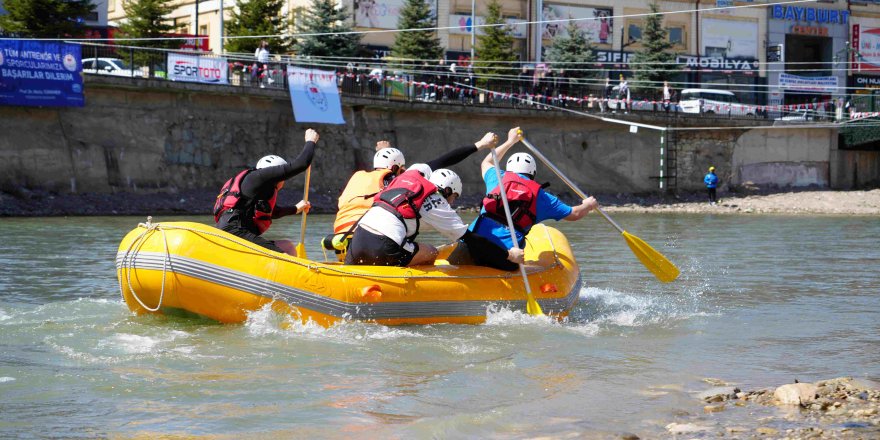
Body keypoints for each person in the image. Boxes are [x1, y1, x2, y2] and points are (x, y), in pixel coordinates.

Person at [345, 133, 525, 267]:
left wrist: (480, 144)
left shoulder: (409, 174)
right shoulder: (436, 203)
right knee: (431, 252)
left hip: (357, 240)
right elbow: (472, 240)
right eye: (453, 198)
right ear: (447, 191)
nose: (452, 204)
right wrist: (508, 255)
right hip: (384, 246)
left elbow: (444, 160)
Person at [452, 128, 599, 271]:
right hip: (505, 257)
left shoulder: (497, 176)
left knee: (455, 261)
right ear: (533, 173)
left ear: (509, 168)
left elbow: (487, 162)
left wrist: (510, 141)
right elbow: (574, 214)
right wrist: (587, 205)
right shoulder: (542, 196)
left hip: (473, 244)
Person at [214, 129, 319, 255]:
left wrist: (296, 208)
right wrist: (310, 141)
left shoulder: (255, 187)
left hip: (235, 230)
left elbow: (272, 212)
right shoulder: (260, 177)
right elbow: (301, 164)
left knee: (288, 246)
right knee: (283, 256)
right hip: (235, 231)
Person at [322, 141, 406, 257]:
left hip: (341, 244)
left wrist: (384, 153)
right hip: (367, 243)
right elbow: (404, 182)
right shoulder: (390, 178)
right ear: (395, 168)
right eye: (401, 169)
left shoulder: (357, 176)